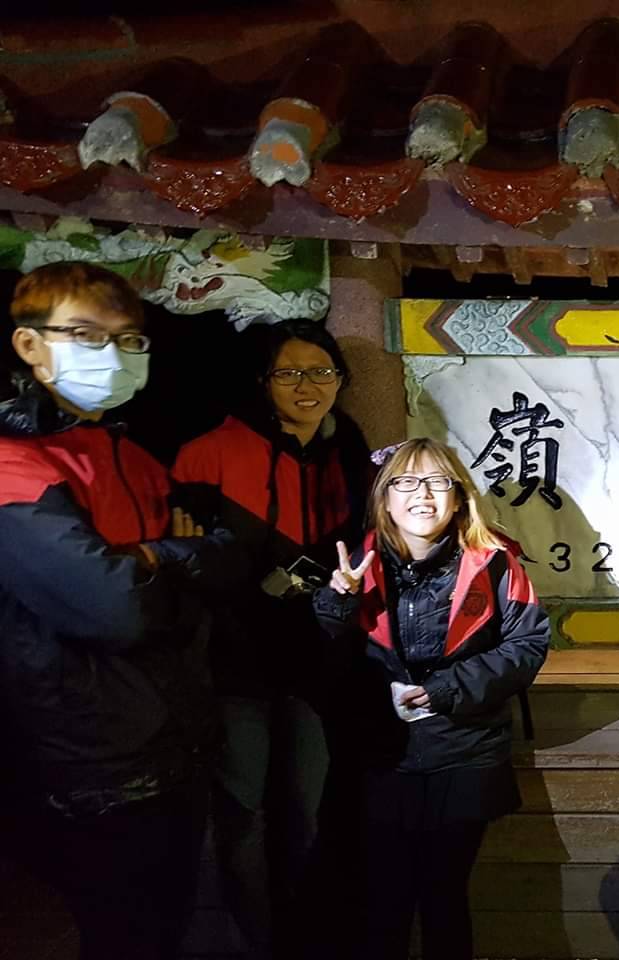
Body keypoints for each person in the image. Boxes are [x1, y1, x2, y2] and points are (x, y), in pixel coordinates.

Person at [0, 262, 238, 959]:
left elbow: (223, 565)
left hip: (177, 737)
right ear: (30, 344)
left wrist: (151, 557)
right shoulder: (14, 463)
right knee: (119, 936)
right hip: (90, 759)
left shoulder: (135, 457)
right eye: (85, 333)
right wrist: (173, 563)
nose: (111, 353)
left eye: (129, 339)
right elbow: (114, 609)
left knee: (166, 926)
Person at [171, 320, 369, 958]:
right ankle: (253, 939)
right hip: (235, 665)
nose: (308, 385)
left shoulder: (349, 449)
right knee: (242, 811)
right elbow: (188, 562)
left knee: (308, 806)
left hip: (316, 663)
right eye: (289, 372)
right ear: (262, 381)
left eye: (322, 371)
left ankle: (304, 933)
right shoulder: (209, 451)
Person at [313, 436, 549, 960]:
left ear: (460, 496)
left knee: (445, 895)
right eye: (406, 482)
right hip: (381, 755)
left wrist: (444, 690)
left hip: (464, 752)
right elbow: (323, 664)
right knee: (384, 900)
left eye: (438, 481)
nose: (423, 494)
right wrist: (336, 603)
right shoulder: (355, 563)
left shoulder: (495, 562)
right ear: (385, 497)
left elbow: (527, 645)